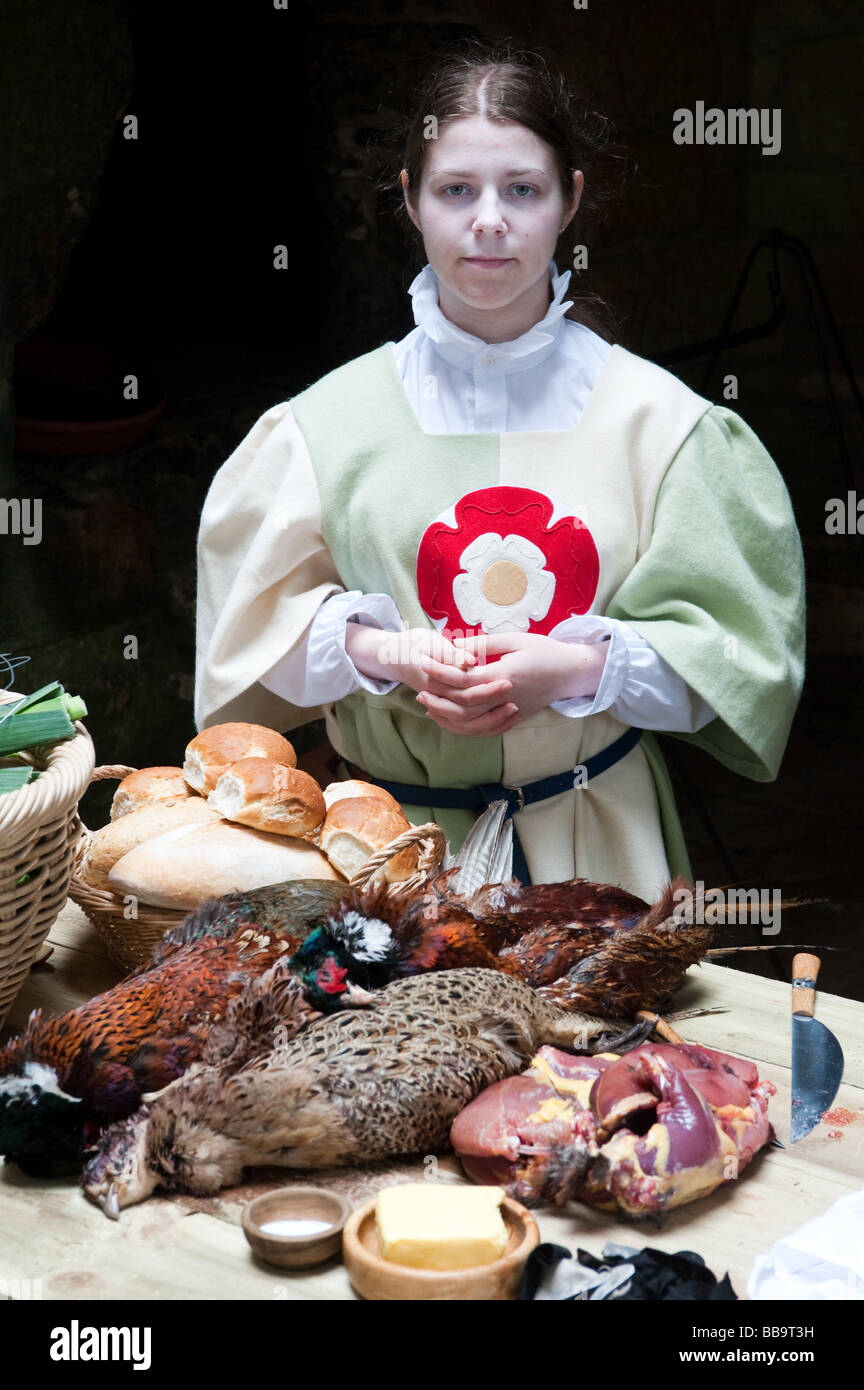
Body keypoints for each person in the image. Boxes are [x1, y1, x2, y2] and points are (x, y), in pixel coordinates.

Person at [194, 43, 805, 901]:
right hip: (386, 860)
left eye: (523, 189)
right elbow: (246, 648)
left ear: (570, 201)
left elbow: (736, 662)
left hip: (598, 852)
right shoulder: (317, 430)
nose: (490, 220)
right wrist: (387, 652)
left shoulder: (664, 427)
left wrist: (574, 671)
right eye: (456, 190)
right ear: (410, 201)